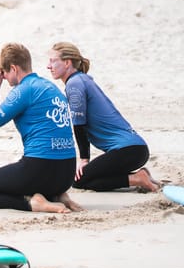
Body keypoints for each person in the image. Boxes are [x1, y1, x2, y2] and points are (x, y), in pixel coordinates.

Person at [0, 43, 81, 213]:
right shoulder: (50, 86)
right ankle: (57, 196)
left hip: (42, 168)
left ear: (13, 68)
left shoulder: (24, 89)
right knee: (24, 176)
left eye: (4, 73)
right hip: (66, 174)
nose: (3, 77)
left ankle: (33, 204)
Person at [47, 42, 159, 192]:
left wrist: (84, 160)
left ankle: (138, 179)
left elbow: (79, 125)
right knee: (90, 178)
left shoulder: (74, 84)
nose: (49, 66)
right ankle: (139, 175)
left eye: (53, 61)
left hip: (128, 150)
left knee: (80, 181)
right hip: (135, 149)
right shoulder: (82, 79)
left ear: (67, 63)